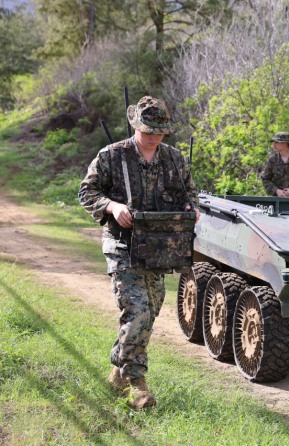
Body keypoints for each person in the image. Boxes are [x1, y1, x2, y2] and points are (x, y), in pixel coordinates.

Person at [78, 96, 200, 410]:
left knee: (151, 311)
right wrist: (112, 206)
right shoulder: (112, 155)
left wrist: (191, 209)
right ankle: (138, 386)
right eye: (148, 132)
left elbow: (189, 192)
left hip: (158, 249)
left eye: (160, 132)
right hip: (121, 245)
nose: (154, 138)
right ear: (136, 126)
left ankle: (118, 372)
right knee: (139, 312)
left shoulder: (173, 158)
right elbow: (87, 191)